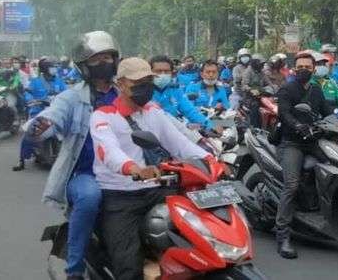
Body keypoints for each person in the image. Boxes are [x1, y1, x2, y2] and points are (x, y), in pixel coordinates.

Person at [90, 57, 210, 280]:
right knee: (129, 269)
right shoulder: (103, 115)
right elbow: (108, 151)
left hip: (159, 189)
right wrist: (133, 168)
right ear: (121, 84)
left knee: (201, 242)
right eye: (139, 82)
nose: (146, 86)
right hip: (121, 197)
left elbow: (179, 143)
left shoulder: (153, 111)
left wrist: (211, 161)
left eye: (148, 80)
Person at [24, 31, 120, 279]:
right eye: (97, 59)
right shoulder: (71, 97)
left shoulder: (125, 95)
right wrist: (40, 125)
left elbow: (160, 120)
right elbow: (51, 117)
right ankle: (74, 270)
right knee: (89, 197)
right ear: (84, 66)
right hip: (85, 173)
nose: (104, 63)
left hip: (125, 171)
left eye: (108, 57)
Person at [274, 50, 334, 259]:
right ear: (294, 68)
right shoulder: (287, 89)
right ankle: (283, 236)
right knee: (291, 184)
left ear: (314, 69)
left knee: (335, 167)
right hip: (291, 143)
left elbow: (327, 111)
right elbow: (284, 113)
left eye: (307, 67)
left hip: (314, 140)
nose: (303, 70)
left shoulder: (316, 90)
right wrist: (299, 126)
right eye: (300, 67)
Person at [13, 57, 67, 171]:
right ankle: (21, 160)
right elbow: (28, 93)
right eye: (52, 67)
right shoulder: (36, 81)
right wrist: (31, 100)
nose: (54, 69)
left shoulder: (59, 81)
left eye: (55, 67)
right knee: (29, 132)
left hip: (56, 112)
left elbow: (66, 92)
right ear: (45, 69)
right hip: (39, 111)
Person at [150, 55, 214, 132]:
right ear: (150, 72)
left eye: (166, 71)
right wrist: (184, 125)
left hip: (174, 132)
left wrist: (210, 126)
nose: (163, 74)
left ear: (171, 72)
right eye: (158, 71)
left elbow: (190, 111)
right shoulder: (144, 92)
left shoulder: (175, 89)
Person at [240, 53, 270, 127]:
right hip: (249, 98)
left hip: (262, 96)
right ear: (255, 63)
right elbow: (244, 85)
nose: (262, 66)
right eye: (261, 64)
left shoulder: (261, 72)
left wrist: (276, 88)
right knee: (255, 106)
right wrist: (251, 90)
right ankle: (255, 127)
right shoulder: (248, 72)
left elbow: (268, 83)